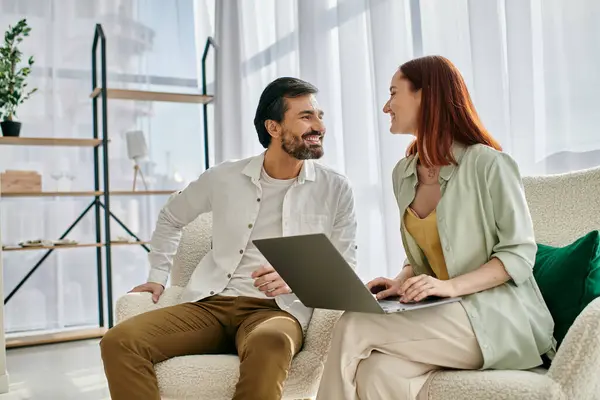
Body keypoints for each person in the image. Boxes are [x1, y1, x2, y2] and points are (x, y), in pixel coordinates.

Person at [100, 77, 357, 400]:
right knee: (119, 341)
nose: (319, 125)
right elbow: (171, 216)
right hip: (209, 304)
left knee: (272, 342)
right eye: (306, 116)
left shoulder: (334, 188)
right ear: (273, 127)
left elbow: (345, 264)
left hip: (276, 312)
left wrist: (298, 277)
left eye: (319, 116)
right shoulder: (224, 177)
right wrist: (156, 276)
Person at [315, 56, 554, 400]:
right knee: (377, 370)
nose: (386, 106)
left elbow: (518, 254)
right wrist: (400, 282)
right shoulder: (404, 173)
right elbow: (424, 254)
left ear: (425, 96)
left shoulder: (488, 164)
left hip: (495, 318)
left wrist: (449, 287)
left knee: (354, 324)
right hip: (441, 315)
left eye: (393, 93)